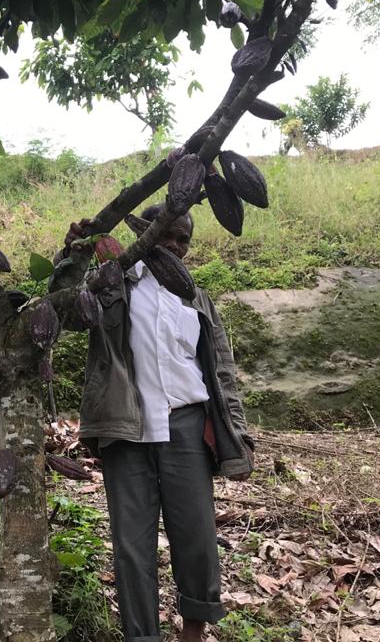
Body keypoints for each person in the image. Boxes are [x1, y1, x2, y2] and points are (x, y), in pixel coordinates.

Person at [61, 204, 254, 642]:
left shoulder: (195, 296)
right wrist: (73, 255)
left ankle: (193, 632)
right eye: (166, 233)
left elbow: (221, 370)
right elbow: (70, 314)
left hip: (187, 426)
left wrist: (237, 430)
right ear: (144, 233)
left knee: (196, 535)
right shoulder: (112, 282)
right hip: (126, 429)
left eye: (183, 239)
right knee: (132, 546)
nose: (175, 245)